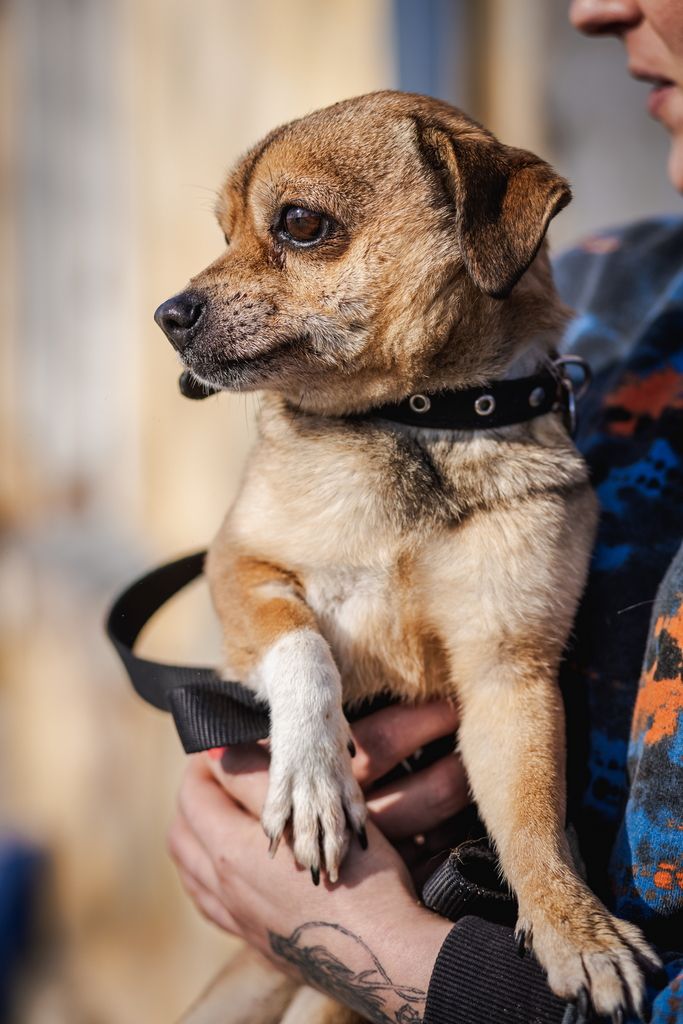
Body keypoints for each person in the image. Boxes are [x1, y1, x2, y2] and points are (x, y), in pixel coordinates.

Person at [168, 2, 683, 1021]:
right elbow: (248, 573)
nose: (591, 9)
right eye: (236, 236)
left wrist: (401, 955)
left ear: (475, 222)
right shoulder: (613, 283)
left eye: (301, 229)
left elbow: (507, 679)